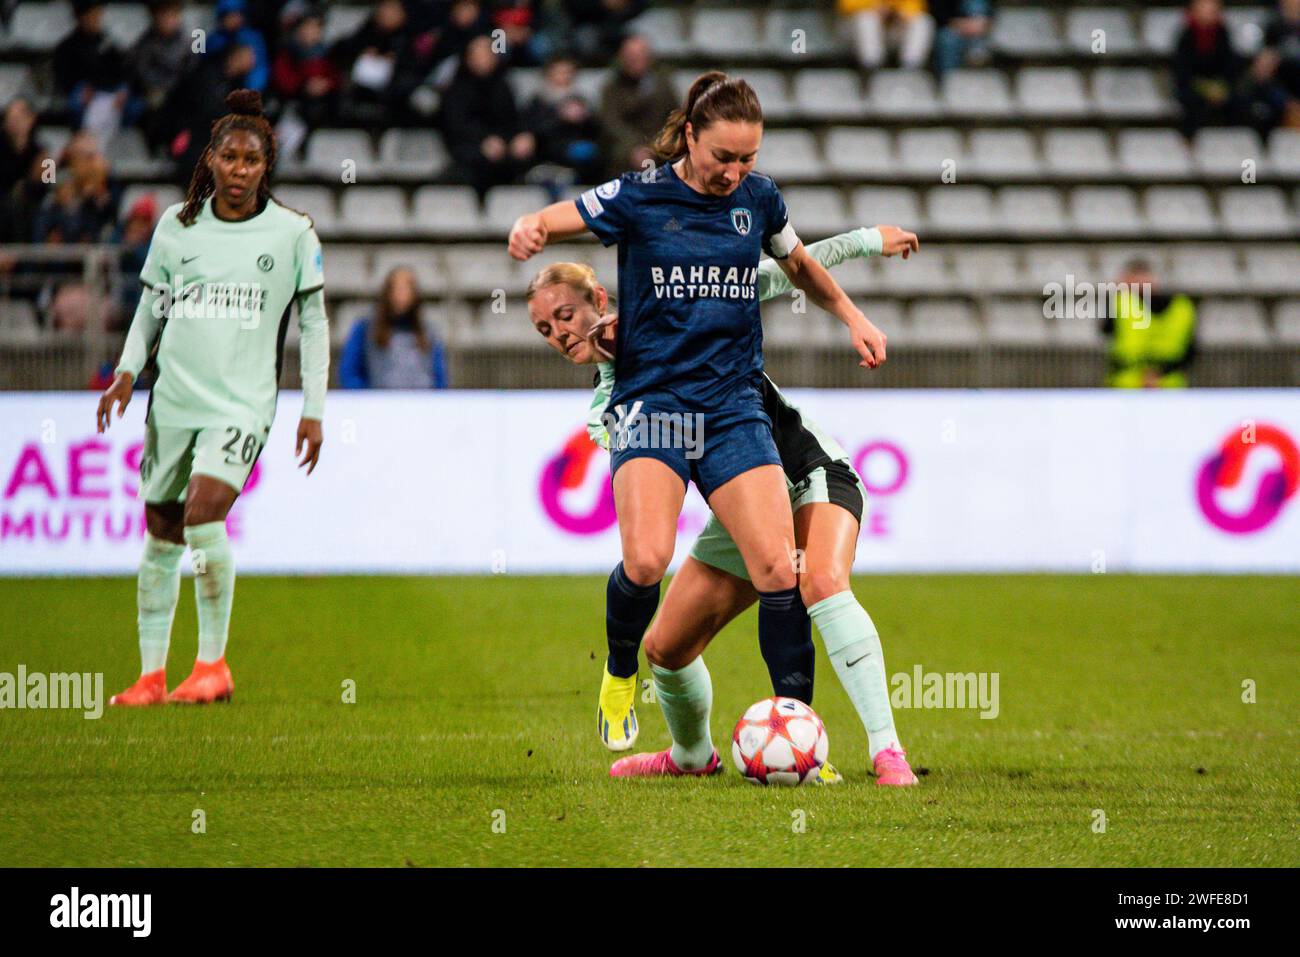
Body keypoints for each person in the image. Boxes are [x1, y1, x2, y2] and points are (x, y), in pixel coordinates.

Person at [508, 72, 889, 773]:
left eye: (747, 157)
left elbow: (798, 265)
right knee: (647, 560)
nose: (735, 171)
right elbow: (567, 215)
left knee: (780, 567)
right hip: (654, 405)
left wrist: (854, 316)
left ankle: (800, 740)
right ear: (690, 136)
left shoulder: (758, 199)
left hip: (732, 404)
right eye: (723, 157)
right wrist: (534, 224)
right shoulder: (643, 195)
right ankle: (622, 673)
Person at [526, 227, 921, 785]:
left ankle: (888, 754)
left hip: (808, 473)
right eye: (545, 329)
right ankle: (691, 756)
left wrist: (865, 241)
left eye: (565, 315)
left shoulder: (688, 306)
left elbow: (786, 269)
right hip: (743, 511)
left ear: (601, 300)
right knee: (665, 647)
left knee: (821, 582)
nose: (559, 333)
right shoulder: (606, 403)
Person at [95, 90, 330, 706]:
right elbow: (151, 306)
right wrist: (125, 371)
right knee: (160, 533)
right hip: (172, 398)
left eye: (252, 160)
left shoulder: (292, 234)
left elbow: (314, 324)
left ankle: (212, 665)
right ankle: (150, 676)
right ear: (212, 159)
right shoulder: (177, 225)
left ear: (266, 164)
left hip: (241, 404)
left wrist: (313, 408)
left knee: (203, 518)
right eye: (229, 157)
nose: (239, 170)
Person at [339, 266, 448, 389]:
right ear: (387, 292)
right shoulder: (365, 328)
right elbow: (350, 372)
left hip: (421, 403)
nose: (401, 294)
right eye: (397, 288)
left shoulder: (428, 331)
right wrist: (365, 400)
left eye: (407, 288)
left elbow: (440, 377)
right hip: (380, 404)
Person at [1102, 258, 1197, 388]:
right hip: (1146, 386)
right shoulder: (1183, 307)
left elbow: (1190, 350)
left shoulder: (1183, 308)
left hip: (1147, 386)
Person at [597, 34, 678, 179]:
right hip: (625, 146)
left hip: (658, 142)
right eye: (630, 55)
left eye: (640, 55)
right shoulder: (612, 87)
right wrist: (634, 147)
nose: (635, 60)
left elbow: (674, 117)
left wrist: (653, 146)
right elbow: (610, 122)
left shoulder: (663, 85)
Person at [838, 0, 935, 71]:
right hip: (854, 30)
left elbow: (917, 5)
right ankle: (871, 70)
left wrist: (900, 12)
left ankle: (910, 69)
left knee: (923, 21)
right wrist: (874, 7)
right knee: (866, 19)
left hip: (891, 27)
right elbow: (846, 5)